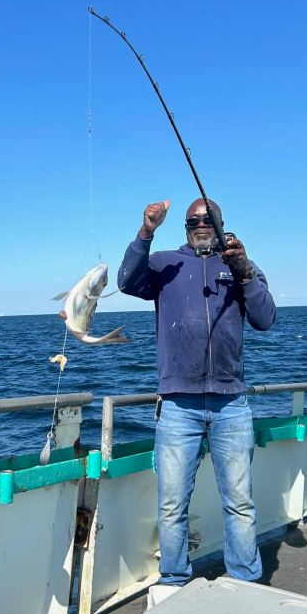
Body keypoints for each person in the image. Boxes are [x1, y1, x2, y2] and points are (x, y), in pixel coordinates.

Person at [118, 197, 276, 585]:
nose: (200, 225)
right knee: (172, 505)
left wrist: (245, 274)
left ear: (222, 224)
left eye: (208, 220)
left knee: (240, 502)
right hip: (177, 404)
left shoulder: (241, 265)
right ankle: (173, 580)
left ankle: (245, 580)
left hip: (231, 403)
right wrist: (146, 233)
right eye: (193, 222)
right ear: (185, 227)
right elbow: (126, 281)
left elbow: (265, 318)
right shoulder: (166, 263)